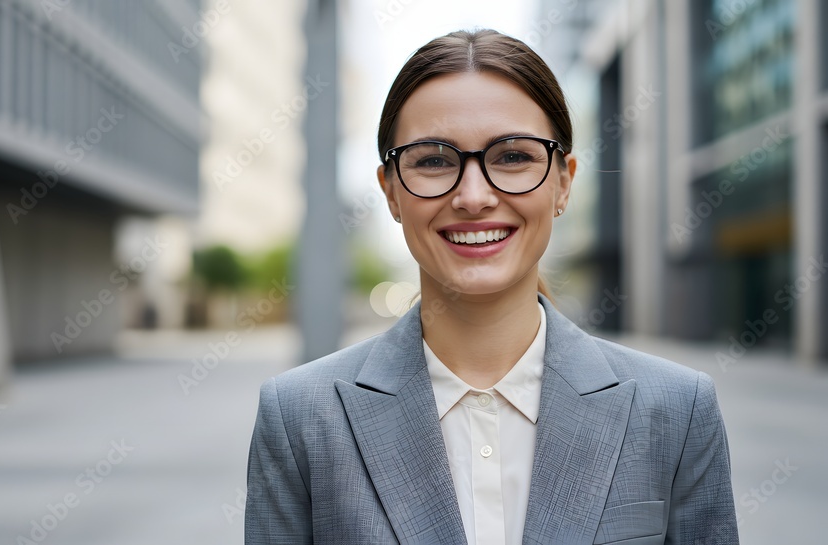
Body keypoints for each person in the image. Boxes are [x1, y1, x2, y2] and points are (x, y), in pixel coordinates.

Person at [245, 29, 738, 545]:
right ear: (390, 192)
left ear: (563, 183)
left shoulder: (677, 411)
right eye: (434, 160)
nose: (474, 197)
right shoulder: (299, 417)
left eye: (513, 156)